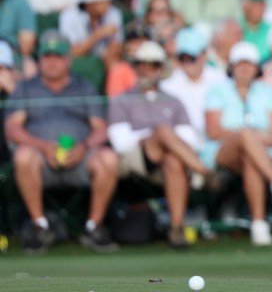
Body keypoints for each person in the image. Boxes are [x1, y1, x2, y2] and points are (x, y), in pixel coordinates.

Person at [5, 31, 119, 253]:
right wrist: (43, 146)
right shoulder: (26, 87)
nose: (52, 62)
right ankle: (40, 226)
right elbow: (13, 128)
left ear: (68, 59)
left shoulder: (83, 86)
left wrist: (83, 147)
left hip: (81, 156)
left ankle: (93, 227)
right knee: (23, 155)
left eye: (58, 56)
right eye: (47, 56)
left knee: (109, 158)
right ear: (40, 59)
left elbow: (101, 128)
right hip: (40, 157)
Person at [107, 41, 206, 248]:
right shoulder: (122, 100)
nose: (146, 69)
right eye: (141, 64)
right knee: (163, 131)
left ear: (160, 69)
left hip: (168, 158)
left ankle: (176, 227)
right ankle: (201, 170)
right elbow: (121, 142)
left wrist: (163, 140)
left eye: (152, 65)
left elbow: (189, 138)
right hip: (133, 159)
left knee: (172, 159)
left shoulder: (173, 100)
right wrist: (154, 137)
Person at [203, 42, 272, 246]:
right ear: (232, 66)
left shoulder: (265, 91)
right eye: (240, 64)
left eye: (249, 64)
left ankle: (259, 225)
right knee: (246, 135)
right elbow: (213, 131)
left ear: (256, 68)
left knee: (251, 160)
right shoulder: (218, 91)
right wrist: (248, 135)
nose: (244, 68)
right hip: (224, 150)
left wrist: (256, 138)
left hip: (260, 154)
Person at [161, 28, 226, 136]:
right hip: (184, 142)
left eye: (192, 57)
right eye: (182, 58)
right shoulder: (168, 86)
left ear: (204, 55)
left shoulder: (221, 79)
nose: (187, 63)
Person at [59, 0, 123, 64]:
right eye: (103, 1)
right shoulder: (69, 16)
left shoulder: (113, 13)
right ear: (90, 3)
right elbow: (74, 53)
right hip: (76, 63)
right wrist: (97, 35)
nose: (108, 4)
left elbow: (116, 47)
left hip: (104, 60)